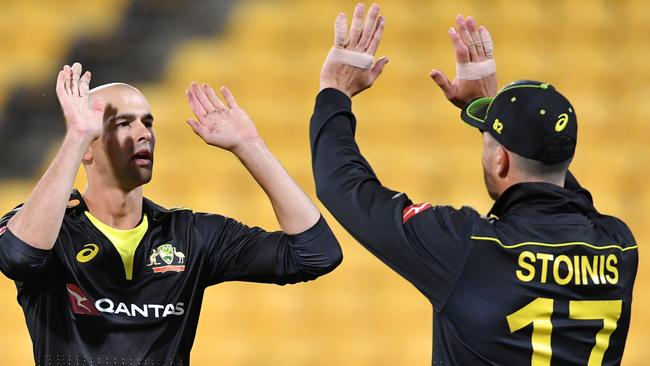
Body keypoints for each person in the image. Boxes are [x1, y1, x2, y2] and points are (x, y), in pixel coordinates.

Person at [311, 4, 637, 365]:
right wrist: (491, 116)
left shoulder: (471, 248)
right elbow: (559, 188)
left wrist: (334, 91)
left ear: (501, 160)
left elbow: (342, 186)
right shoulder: (620, 248)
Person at [0, 63, 342, 365]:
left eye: (147, 123)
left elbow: (316, 254)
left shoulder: (190, 235)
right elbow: (17, 258)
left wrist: (249, 146)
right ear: (88, 148)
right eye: (122, 124)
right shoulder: (47, 229)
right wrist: (76, 137)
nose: (143, 133)